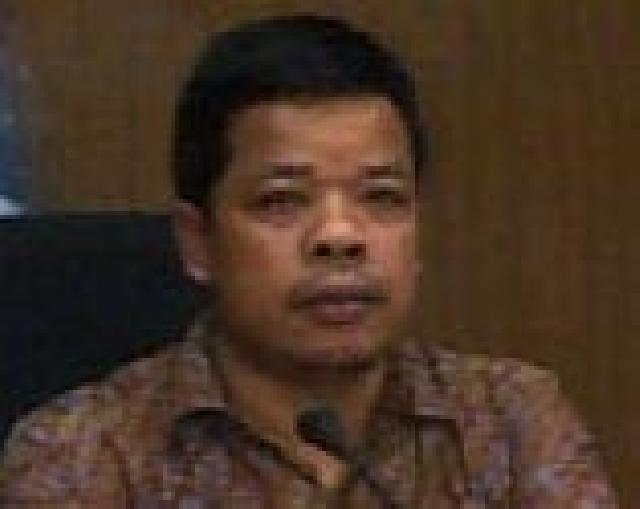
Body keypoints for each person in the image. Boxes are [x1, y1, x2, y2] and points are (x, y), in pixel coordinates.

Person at [1, 14, 617, 507]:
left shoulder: (510, 420)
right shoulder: (86, 455)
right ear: (197, 241)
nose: (340, 236)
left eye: (382, 198)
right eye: (282, 201)